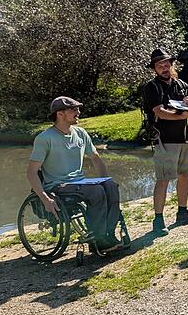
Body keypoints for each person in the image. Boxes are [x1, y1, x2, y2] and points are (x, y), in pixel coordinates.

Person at [26, 97, 123, 252]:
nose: (78, 112)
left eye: (78, 109)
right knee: (96, 191)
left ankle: (107, 234)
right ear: (60, 114)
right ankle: (98, 239)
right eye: (73, 110)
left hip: (79, 183)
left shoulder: (81, 133)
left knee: (111, 186)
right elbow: (31, 173)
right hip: (58, 186)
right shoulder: (45, 139)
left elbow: (96, 159)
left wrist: (106, 180)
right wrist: (45, 199)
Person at [142, 48, 188, 236]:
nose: (164, 67)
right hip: (164, 140)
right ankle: (158, 219)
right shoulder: (151, 87)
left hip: (186, 138)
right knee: (163, 179)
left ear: (172, 65)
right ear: (154, 68)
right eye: (160, 65)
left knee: (185, 175)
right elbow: (160, 112)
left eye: (167, 64)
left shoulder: (181, 84)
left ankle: (183, 212)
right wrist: (184, 115)